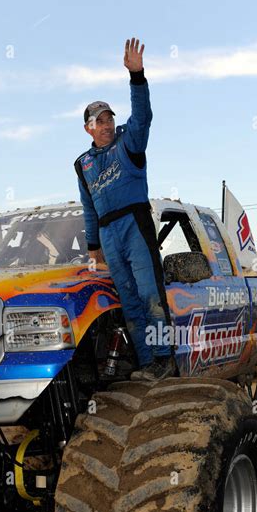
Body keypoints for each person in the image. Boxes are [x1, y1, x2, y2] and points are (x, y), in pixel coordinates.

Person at [74, 37, 175, 381]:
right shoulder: (83, 163)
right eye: (97, 121)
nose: (104, 125)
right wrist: (92, 249)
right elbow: (88, 206)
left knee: (150, 294)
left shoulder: (128, 142)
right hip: (107, 232)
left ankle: (165, 357)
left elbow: (144, 116)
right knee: (129, 301)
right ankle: (147, 363)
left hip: (135, 222)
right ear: (88, 127)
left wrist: (137, 77)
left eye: (107, 119)